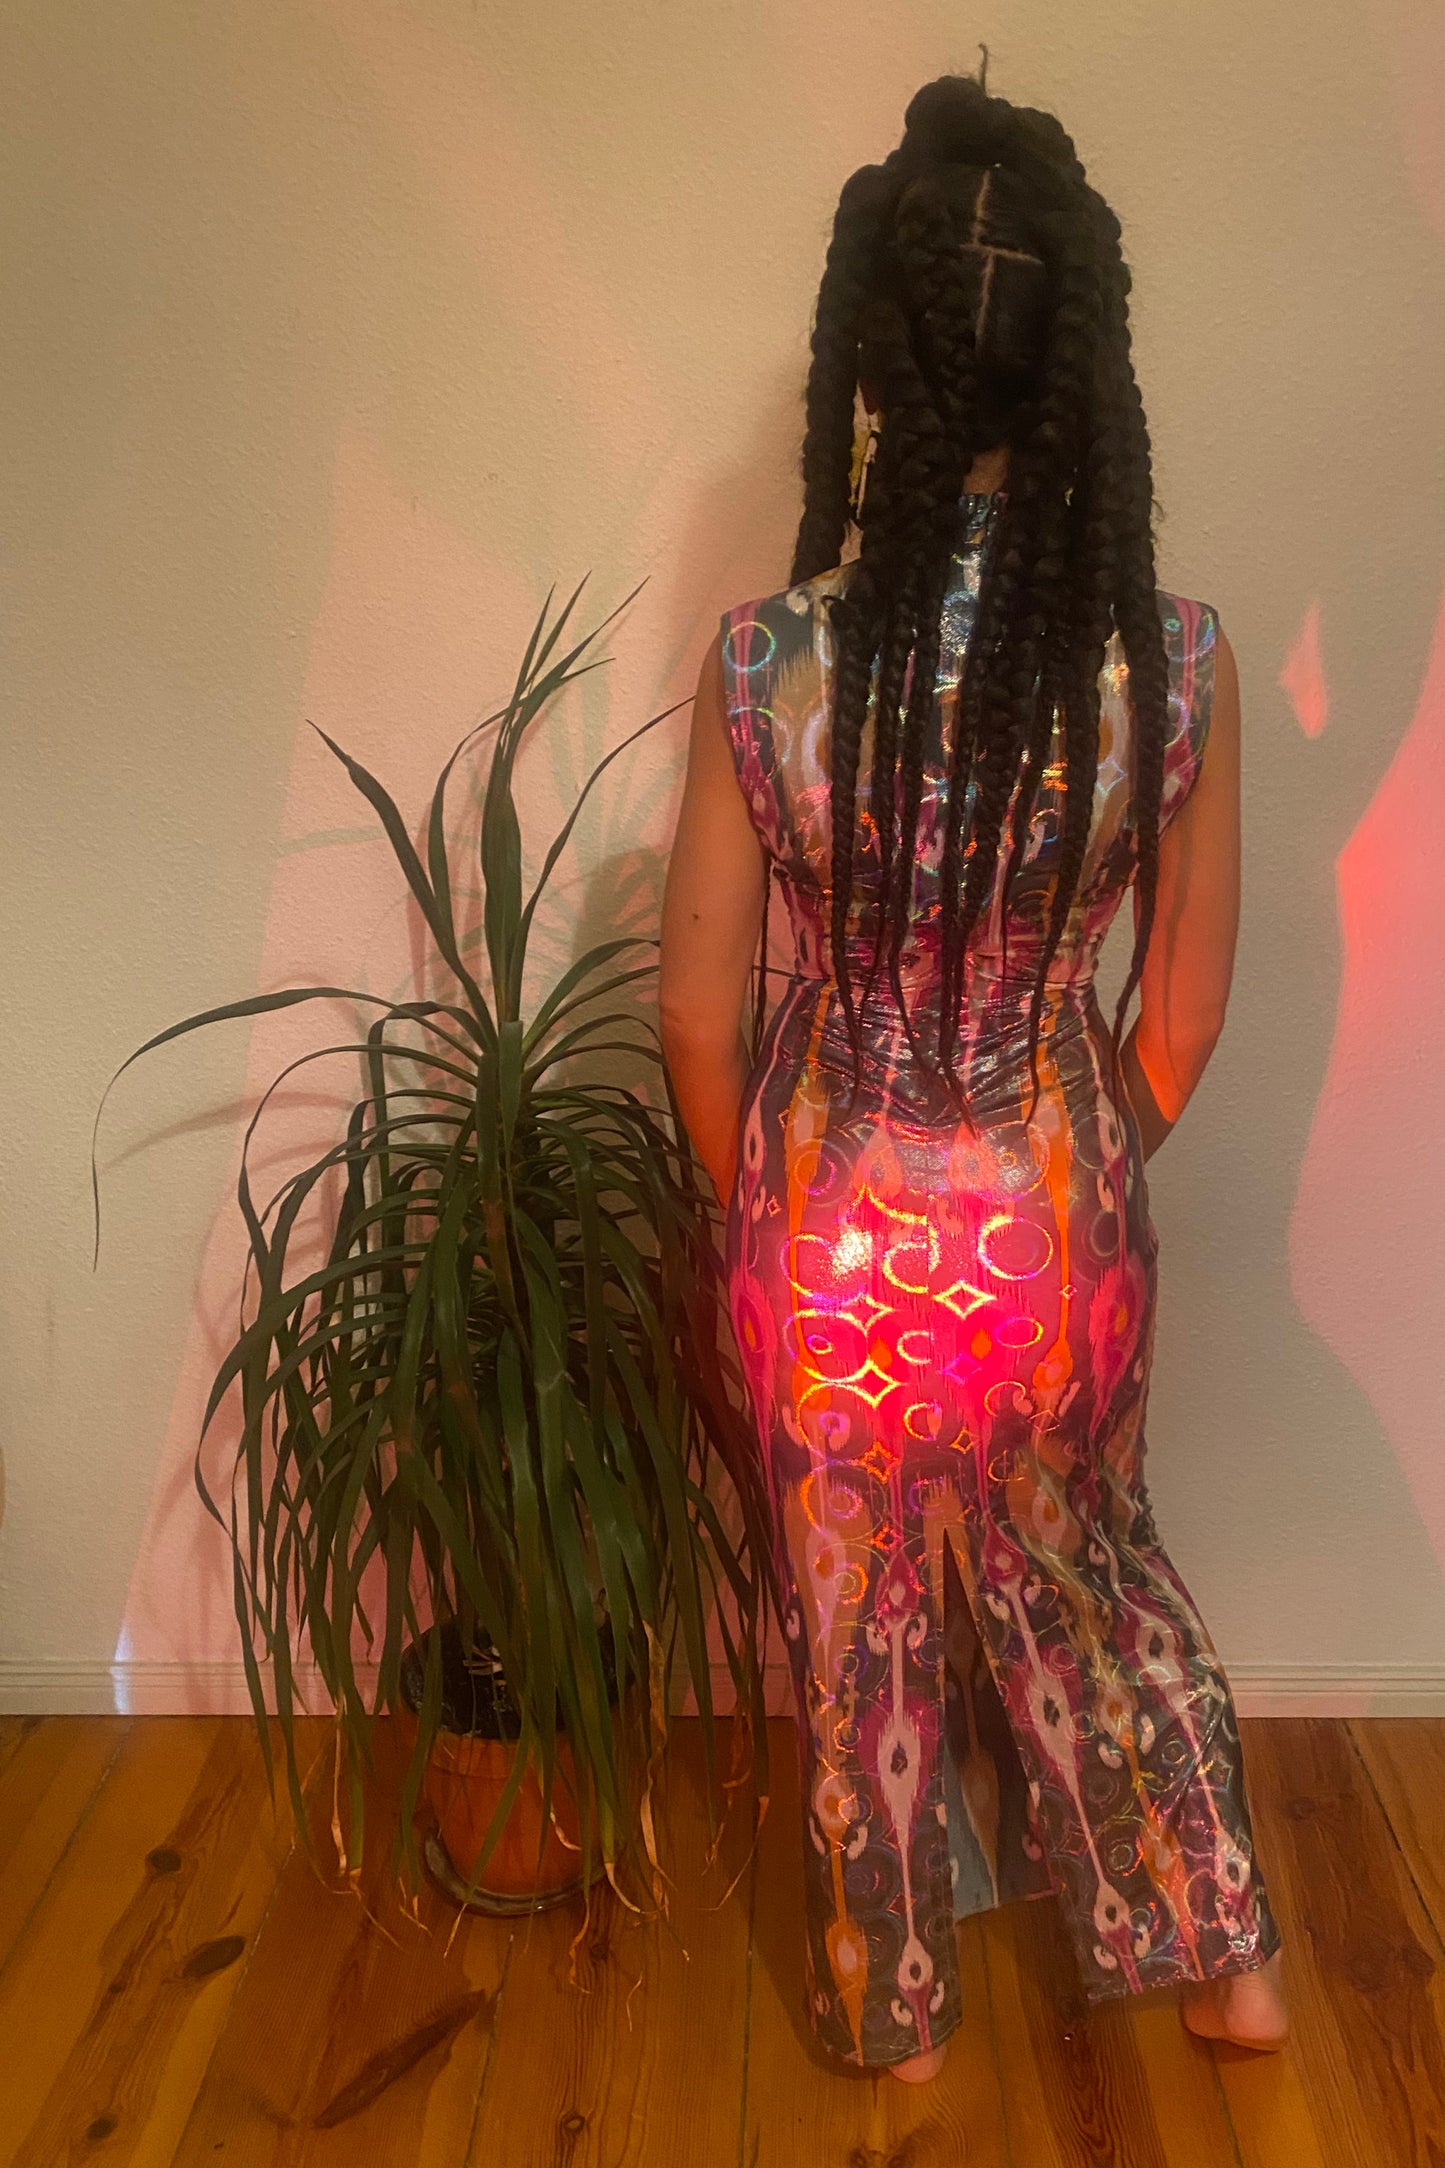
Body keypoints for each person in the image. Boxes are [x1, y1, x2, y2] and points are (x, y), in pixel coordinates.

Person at [658, 71, 1289, 2082]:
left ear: (881, 368)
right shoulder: (1172, 664)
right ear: (1080, 364)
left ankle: (893, 2003)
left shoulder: (770, 665)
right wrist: (1082, 1153)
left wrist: (775, 1195)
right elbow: (1179, 1007)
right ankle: (1230, 1960)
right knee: (1087, 1564)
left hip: (834, 1214)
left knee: (860, 1621)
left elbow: (699, 1005)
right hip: (1052, 1203)